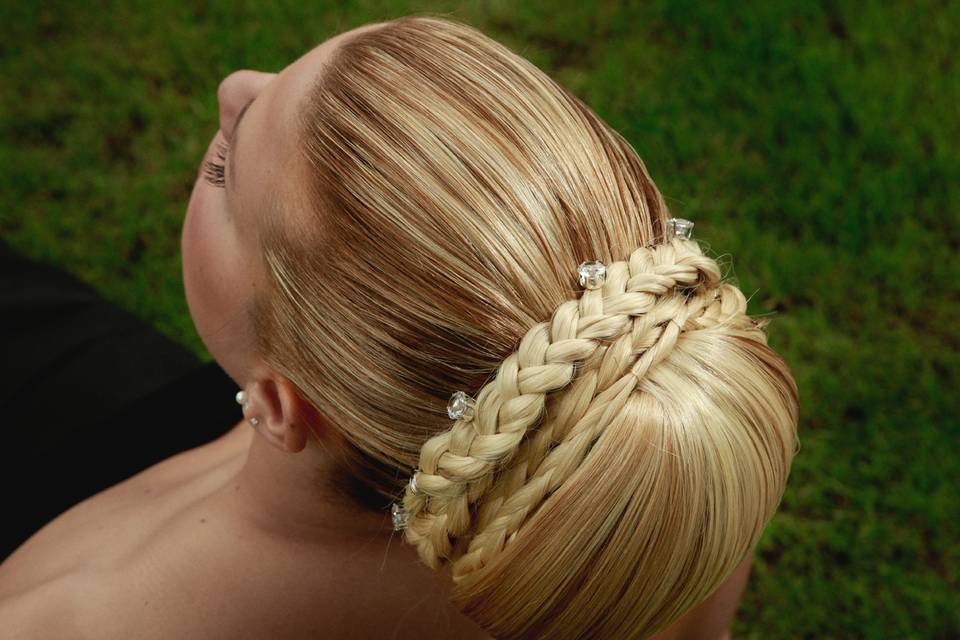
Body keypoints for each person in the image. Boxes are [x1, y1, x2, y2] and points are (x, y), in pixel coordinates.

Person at [0, 14, 800, 639]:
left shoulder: (66, 616)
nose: (235, 82)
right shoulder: (666, 470)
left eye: (225, 167)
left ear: (284, 408)